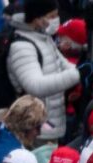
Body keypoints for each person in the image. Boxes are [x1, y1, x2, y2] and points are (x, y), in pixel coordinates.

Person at [7, 0, 79, 141]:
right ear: (37, 18)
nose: (55, 20)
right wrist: (78, 74)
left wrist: (83, 68)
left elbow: (65, 66)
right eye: (51, 16)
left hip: (50, 127)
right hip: (32, 132)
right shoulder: (22, 46)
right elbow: (36, 86)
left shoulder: (44, 39)